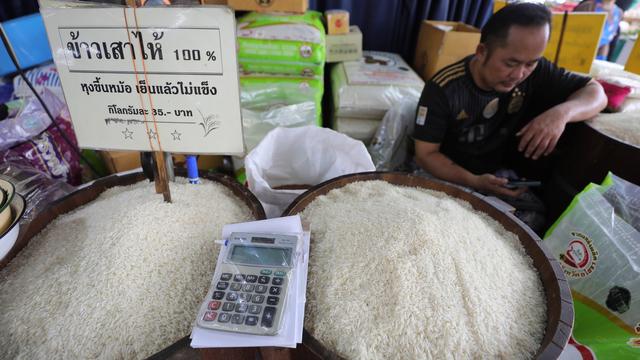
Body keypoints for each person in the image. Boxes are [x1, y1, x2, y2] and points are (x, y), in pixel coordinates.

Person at [412, 3, 607, 230]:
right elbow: (426, 154)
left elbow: (597, 94)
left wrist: (561, 114)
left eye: (530, 64)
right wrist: (475, 181)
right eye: (510, 63)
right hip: (451, 175)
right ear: (482, 51)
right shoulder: (444, 88)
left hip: (498, 175)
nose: (519, 74)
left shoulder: (535, 71)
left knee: (533, 224)